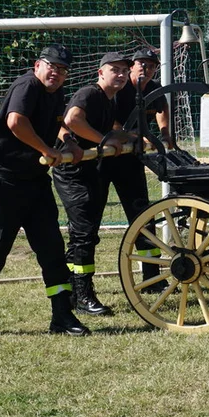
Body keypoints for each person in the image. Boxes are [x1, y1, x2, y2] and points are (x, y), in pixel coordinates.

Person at [0, 45, 90, 338]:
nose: (57, 73)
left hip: (36, 182)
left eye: (63, 70)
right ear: (37, 65)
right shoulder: (28, 85)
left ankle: (62, 316)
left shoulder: (56, 93)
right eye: (52, 66)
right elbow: (16, 122)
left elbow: (57, 123)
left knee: (52, 248)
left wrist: (69, 142)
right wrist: (46, 149)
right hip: (5, 181)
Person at [52, 51, 131, 315]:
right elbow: (72, 120)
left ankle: (71, 290)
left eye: (124, 70)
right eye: (114, 70)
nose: (120, 74)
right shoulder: (90, 93)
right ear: (101, 73)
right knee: (85, 232)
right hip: (70, 170)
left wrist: (128, 136)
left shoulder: (111, 100)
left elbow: (108, 130)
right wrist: (103, 140)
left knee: (85, 231)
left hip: (88, 168)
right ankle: (84, 295)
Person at [99, 47, 172, 293]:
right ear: (132, 66)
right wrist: (132, 135)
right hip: (104, 158)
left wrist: (164, 134)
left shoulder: (153, 88)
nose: (146, 69)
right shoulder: (119, 89)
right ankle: (82, 286)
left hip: (131, 159)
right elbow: (110, 119)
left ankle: (151, 277)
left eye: (151, 65)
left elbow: (162, 109)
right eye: (142, 64)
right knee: (89, 222)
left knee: (142, 216)